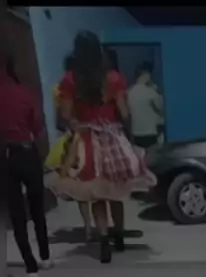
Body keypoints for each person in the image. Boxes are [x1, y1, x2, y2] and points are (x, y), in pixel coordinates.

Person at [45, 31, 156, 264]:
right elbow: (124, 113)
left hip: (86, 141)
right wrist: (127, 135)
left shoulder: (70, 80)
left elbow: (65, 116)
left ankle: (104, 240)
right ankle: (119, 237)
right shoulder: (114, 78)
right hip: (113, 138)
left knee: (96, 195)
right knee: (116, 191)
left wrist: (78, 124)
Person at [0, 54, 52, 277]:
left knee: (17, 214)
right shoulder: (24, 93)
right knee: (37, 206)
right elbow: (38, 126)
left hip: (6, 155)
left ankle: (31, 268)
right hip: (27, 152)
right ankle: (45, 256)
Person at [46, 53, 93, 242]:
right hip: (91, 137)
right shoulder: (89, 85)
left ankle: (88, 227)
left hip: (75, 138)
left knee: (80, 185)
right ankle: (101, 227)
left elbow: (60, 119)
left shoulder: (60, 88)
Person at [127, 61, 164, 150]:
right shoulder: (151, 92)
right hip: (150, 133)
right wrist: (156, 89)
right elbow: (161, 107)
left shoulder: (130, 92)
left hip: (136, 133)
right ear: (146, 75)